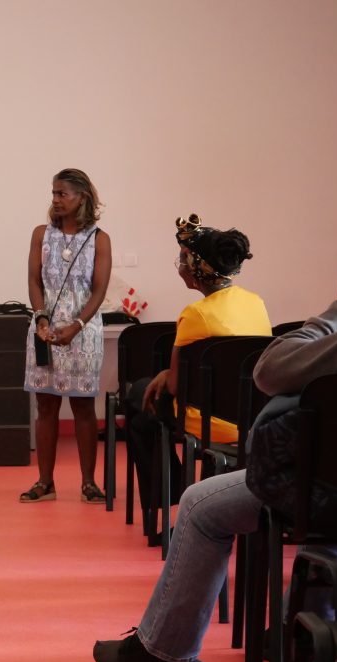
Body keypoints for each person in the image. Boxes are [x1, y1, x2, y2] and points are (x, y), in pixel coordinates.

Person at [93, 251, 337, 662]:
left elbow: (269, 370)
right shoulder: (254, 304)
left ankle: (165, 650)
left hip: (330, 483)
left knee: (199, 501)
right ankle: (297, 628)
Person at [127, 214, 271, 516]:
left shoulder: (195, 314)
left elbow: (175, 385)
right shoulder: (255, 302)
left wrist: (166, 373)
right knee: (144, 403)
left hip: (209, 421)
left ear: (196, 268)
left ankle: (168, 494)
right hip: (249, 418)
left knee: (139, 395)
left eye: (183, 258)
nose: (179, 266)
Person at [21, 168, 112, 504]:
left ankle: (89, 483)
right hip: (44, 329)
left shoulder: (99, 239)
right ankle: (45, 482)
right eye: (54, 193)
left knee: (84, 407)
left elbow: (99, 290)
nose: (56, 199)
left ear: (81, 197)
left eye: (62, 193)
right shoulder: (40, 234)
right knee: (45, 406)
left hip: (83, 331)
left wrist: (76, 326)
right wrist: (41, 318)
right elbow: (34, 281)